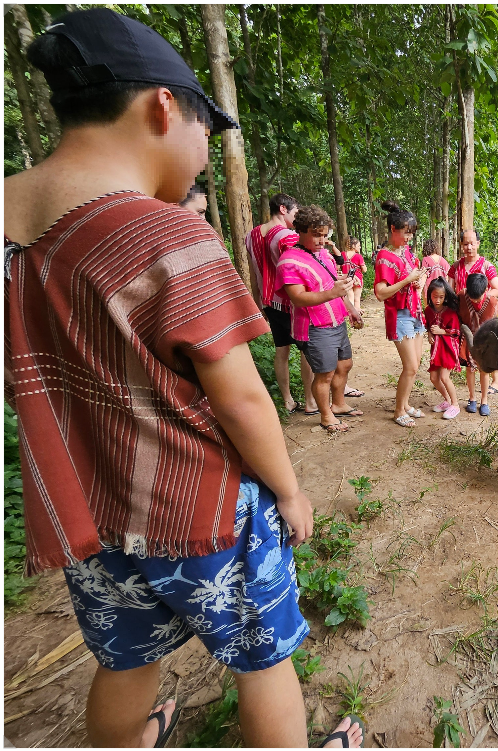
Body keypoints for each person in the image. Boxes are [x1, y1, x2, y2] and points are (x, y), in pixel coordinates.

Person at [2, 9, 366, 748]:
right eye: (208, 131)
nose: (205, 153)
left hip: (89, 510)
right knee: (264, 659)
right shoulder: (166, 232)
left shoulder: (9, 225)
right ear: (164, 106)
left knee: (124, 659)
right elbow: (238, 394)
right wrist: (289, 489)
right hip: (199, 507)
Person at [277, 205, 364, 434]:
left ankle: (338, 404)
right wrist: (332, 294)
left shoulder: (323, 254)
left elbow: (334, 286)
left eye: (324, 235)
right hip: (315, 327)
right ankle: (326, 416)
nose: (321, 240)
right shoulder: (289, 261)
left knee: (344, 364)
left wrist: (350, 308)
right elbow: (298, 298)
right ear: (301, 231)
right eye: (316, 234)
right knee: (324, 373)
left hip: (337, 320)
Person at [246, 193, 318, 414]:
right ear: (284, 209)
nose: (297, 219)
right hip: (291, 302)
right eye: (296, 213)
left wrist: (259, 301)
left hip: (269, 302)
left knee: (281, 351)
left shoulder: (250, 235)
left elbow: (253, 272)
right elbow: (297, 269)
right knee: (307, 349)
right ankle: (310, 401)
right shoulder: (288, 236)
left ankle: (288, 400)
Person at [373, 200, 427, 427]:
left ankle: (405, 405)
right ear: (393, 229)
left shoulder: (406, 252)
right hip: (400, 315)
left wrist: (419, 282)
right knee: (411, 366)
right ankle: (398, 411)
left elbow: (419, 275)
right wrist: (407, 280)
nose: (409, 238)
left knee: (416, 364)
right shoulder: (384, 258)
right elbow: (380, 293)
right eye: (405, 233)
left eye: (411, 234)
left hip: (415, 312)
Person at [449, 229, 498, 395]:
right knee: (468, 352)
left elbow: (497, 290)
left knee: (486, 349)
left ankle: (495, 381)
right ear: (461, 246)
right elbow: (450, 290)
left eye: (472, 243)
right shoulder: (456, 267)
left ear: (478, 244)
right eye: (465, 244)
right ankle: (474, 393)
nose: (469, 247)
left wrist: (480, 297)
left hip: (484, 316)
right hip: (464, 316)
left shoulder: (487, 266)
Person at [458, 272, 498, 416]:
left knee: (484, 370)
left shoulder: (493, 302)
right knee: (470, 369)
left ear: (485, 291)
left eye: (478, 298)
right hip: (468, 339)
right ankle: (472, 398)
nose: (475, 301)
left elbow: (494, 325)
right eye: (472, 298)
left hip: (484, 341)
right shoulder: (462, 297)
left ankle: (484, 401)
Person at [424, 277, 462, 419]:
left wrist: (442, 331)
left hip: (448, 349)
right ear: (430, 296)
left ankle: (455, 404)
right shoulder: (428, 310)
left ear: (445, 296)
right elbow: (428, 325)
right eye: (435, 297)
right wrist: (429, 334)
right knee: (434, 378)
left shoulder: (450, 312)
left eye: (441, 297)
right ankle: (447, 400)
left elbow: (456, 332)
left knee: (445, 377)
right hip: (436, 349)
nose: (438, 300)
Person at [420, 237, 450, 308]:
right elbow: (447, 278)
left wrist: (419, 292)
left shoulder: (425, 260)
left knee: (430, 313)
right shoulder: (443, 260)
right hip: (442, 291)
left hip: (430, 292)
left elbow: (423, 277)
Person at [342, 236, 367, 314]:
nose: (360, 247)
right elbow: (365, 270)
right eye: (359, 245)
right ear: (353, 246)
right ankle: (357, 316)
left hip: (347, 280)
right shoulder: (358, 256)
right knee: (357, 300)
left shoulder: (342, 254)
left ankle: (351, 314)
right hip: (358, 280)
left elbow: (337, 267)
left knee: (350, 299)